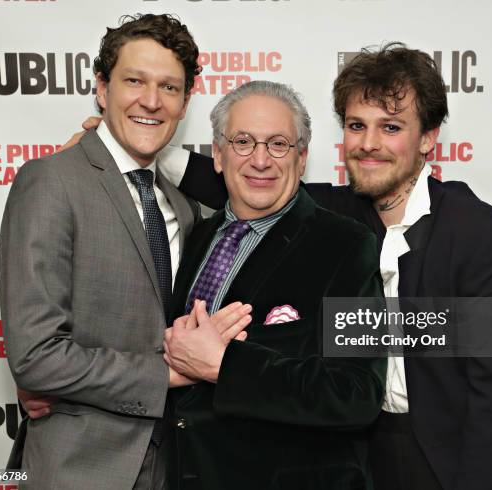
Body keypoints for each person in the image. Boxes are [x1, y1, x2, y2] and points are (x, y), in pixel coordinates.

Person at [158, 44, 492, 490]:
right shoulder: (341, 212)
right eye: (357, 126)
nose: (369, 144)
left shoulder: (482, 237)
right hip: (368, 455)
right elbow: (248, 175)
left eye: (391, 127)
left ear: (428, 137)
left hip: (457, 460)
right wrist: (122, 149)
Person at [0, 13, 249, 489]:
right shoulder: (51, 181)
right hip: (78, 470)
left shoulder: (184, 207)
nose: (151, 101)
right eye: (134, 80)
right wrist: (165, 375)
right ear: (101, 87)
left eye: (169, 88)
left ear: (185, 101)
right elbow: (35, 357)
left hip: (174, 466)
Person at [161, 80, 386, 489]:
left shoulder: (346, 246)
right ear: (218, 155)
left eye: (278, 144)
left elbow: (357, 393)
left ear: (301, 159)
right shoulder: (194, 237)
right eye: (243, 141)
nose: (260, 160)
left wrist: (225, 367)